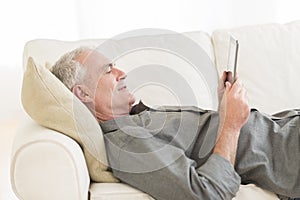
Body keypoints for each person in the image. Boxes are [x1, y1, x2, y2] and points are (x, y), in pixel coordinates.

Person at [51, 47, 300, 200]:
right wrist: (231, 125)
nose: (121, 73)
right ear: (82, 94)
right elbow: (205, 194)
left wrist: (225, 109)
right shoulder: (126, 143)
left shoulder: (135, 120)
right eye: (108, 70)